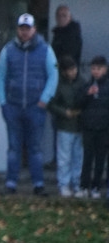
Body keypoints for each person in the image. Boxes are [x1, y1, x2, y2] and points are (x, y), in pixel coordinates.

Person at [0, 13, 58, 196]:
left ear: (34, 29)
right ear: (18, 30)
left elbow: (53, 76)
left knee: (35, 148)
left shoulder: (46, 50)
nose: (24, 32)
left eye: (27, 29)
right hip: (13, 106)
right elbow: (0, 76)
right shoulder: (8, 50)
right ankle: (10, 184)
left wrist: (44, 99)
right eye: (22, 29)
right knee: (13, 148)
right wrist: (3, 102)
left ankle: (38, 184)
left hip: (35, 107)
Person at [48, 56, 86, 198]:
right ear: (64, 72)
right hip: (64, 126)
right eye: (70, 70)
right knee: (64, 158)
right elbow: (51, 104)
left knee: (78, 157)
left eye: (74, 68)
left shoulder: (82, 82)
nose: (73, 72)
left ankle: (77, 184)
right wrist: (65, 112)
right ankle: (63, 184)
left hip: (80, 126)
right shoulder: (57, 84)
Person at [78, 55, 109, 199]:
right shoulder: (86, 86)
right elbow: (78, 103)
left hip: (104, 129)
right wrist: (87, 94)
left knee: (100, 159)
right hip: (89, 127)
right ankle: (84, 186)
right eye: (93, 69)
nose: (96, 71)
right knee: (87, 158)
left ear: (105, 69)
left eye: (99, 69)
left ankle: (96, 187)